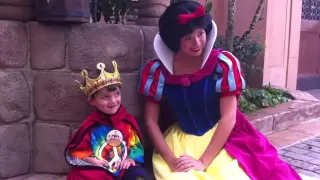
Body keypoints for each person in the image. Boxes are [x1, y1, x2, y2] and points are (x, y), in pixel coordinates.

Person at [137, 1, 311, 180]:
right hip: (180, 143)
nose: (197, 42)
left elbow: (229, 117)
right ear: (175, 40)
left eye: (200, 33)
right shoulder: (157, 71)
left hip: (224, 137)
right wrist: (171, 159)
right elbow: (151, 121)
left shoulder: (222, 64)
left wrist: (203, 162)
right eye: (187, 38)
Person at [65, 61, 147, 180]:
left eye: (117, 94)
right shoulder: (91, 126)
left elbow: (136, 147)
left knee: (138, 175)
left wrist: (130, 159)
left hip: (123, 169)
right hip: (99, 171)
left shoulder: (127, 122)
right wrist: (91, 161)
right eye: (105, 97)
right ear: (93, 101)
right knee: (78, 175)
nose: (113, 101)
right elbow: (78, 152)